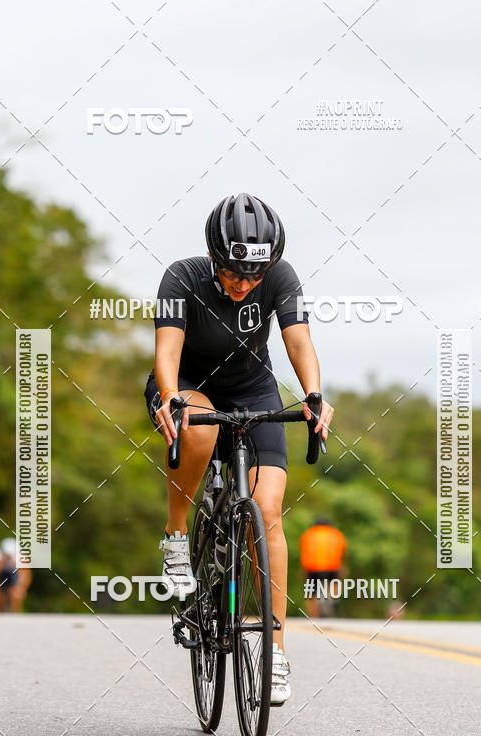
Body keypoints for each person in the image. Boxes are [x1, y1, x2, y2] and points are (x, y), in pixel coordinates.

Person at [145, 192, 334, 704]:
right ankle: (177, 534)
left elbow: (297, 340)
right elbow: (167, 349)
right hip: (187, 384)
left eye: (255, 275)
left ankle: (273, 651)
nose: (245, 284)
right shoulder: (180, 278)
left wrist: (313, 395)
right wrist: (170, 398)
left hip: (253, 388)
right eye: (233, 274)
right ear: (213, 258)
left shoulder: (279, 276)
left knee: (268, 512)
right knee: (201, 428)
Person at [299, 518, 347, 617]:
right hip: (332, 567)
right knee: (334, 582)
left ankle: (313, 616)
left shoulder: (308, 534)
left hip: (312, 568)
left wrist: (303, 570)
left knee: (311, 593)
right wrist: (342, 568)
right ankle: (332, 599)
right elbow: (342, 552)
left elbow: (304, 552)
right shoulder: (336, 534)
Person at [0, 538, 31, 612]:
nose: (8, 557)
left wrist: (21, 588)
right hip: (0, 577)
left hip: (14, 577)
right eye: (6, 555)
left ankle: (16, 616)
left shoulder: (22, 561)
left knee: (16, 595)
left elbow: (25, 577)